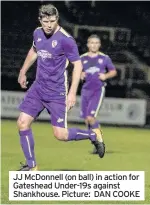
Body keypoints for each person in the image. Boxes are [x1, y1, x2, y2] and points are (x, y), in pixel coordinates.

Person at [17, 4, 105, 171]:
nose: (49, 25)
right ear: (40, 20)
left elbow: (78, 66)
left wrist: (72, 93)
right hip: (38, 88)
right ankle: (31, 166)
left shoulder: (66, 40)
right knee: (22, 123)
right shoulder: (37, 33)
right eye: (45, 21)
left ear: (57, 19)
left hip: (57, 92)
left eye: (52, 21)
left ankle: (93, 135)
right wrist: (23, 71)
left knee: (60, 135)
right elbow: (34, 50)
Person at [80, 34, 117, 154]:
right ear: (88, 44)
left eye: (96, 43)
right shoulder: (82, 58)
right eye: (92, 43)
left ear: (99, 45)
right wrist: (80, 75)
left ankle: (99, 143)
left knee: (91, 118)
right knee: (86, 120)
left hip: (98, 90)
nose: (94, 45)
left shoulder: (104, 58)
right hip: (85, 90)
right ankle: (95, 142)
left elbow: (113, 71)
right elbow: (76, 72)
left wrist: (105, 76)